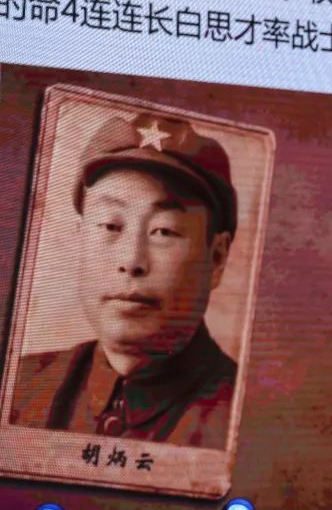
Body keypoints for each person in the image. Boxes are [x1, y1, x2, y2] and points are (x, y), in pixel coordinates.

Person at [9, 113, 238, 449]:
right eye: (110, 226)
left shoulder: (249, 417)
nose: (131, 262)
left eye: (164, 231)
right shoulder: (16, 386)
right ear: (80, 240)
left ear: (216, 258)